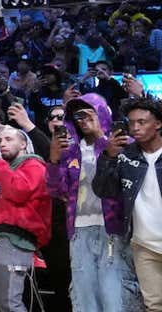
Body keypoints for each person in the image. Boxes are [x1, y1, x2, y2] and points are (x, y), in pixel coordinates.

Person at [49, 93, 138, 312]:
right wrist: (53, 160)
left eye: (89, 112)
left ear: (102, 113)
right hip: (79, 230)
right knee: (84, 297)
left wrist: (101, 136)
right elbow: (56, 190)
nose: (83, 119)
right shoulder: (70, 150)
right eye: (77, 115)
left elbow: (126, 180)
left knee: (115, 297)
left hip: (114, 230)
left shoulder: (121, 143)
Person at [0, 128, 51, 312]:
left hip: (15, 241)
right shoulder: (3, 171)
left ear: (23, 144)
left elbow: (19, 191)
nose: (3, 143)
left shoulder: (34, 165)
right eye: (0, 141)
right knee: (6, 305)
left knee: (10, 306)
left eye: (8, 139)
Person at [94, 97, 162, 311]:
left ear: (158, 124)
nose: (135, 128)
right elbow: (103, 190)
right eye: (131, 122)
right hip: (144, 245)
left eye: (142, 122)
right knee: (153, 306)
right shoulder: (124, 156)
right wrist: (108, 157)